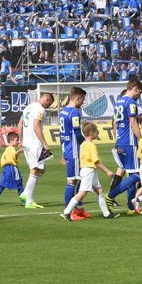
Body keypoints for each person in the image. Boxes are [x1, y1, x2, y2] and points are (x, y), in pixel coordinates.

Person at [60, 122, 120, 221]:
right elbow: (96, 161)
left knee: (100, 191)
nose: (98, 133)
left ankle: (106, 214)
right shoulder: (91, 146)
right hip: (89, 171)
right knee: (82, 193)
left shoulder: (83, 144)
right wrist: (107, 171)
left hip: (87, 170)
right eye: (96, 131)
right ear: (92, 132)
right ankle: (66, 212)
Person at [106, 78, 142, 208]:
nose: (139, 96)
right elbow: (133, 123)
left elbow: (115, 124)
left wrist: (117, 140)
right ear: (135, 89)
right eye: (139, 93)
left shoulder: (118, 102)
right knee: (136, 174)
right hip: (130, 142)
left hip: (120, 141)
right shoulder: (131, 102)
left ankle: (130, 206)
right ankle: (110, 196)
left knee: (129, 172)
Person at [18, 92, 55, 209]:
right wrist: (44, 143)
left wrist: (21, 141)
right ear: (46, 100)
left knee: (40, 169)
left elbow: (20, 124)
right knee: (35, 170)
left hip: (27, 144)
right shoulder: (40, 109)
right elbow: (36, 126)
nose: (48, 106)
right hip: (35, 144)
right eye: (49, 104)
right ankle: (28, 200)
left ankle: (26, 194)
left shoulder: (27, 108)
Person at [59, 87, 89, 219]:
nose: (83, 102)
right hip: (74, 150)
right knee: (72, 181)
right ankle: (68, 211)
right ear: (77, 98)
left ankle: (79, 209)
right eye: (82, 99)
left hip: (67, 148)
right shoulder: (74, 113)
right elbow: (77, 132)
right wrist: (87, 144)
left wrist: (63, 153)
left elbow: (62, 135)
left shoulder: (63, 111)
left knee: (79, 180)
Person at [0, 132, 24, 205]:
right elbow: (13, 155)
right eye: (16, 140)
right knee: (19, 184)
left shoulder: (7, 148)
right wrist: (19, 151)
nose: (17, 141)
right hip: (12, 168)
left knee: (2, 184)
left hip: (5, 168)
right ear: (11, 141)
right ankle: (23, 201)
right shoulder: (11, 148)